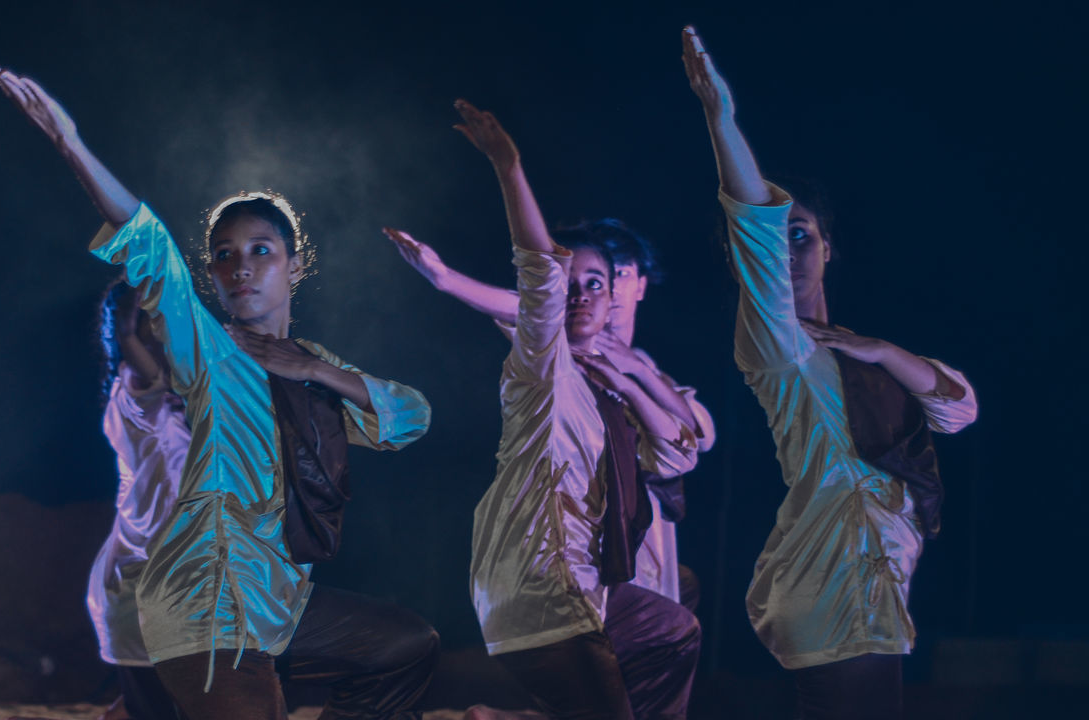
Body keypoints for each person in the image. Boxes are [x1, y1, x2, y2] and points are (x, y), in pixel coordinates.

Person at [0, 68, 438, 720]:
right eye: (225, 256)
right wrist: (71, 143)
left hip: (276, 601)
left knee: (407, 646)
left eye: (261, 250)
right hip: (203, 599)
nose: (242, 267)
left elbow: (412, 418)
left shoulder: (315, 369)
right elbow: (150, 246)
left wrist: (319, 373)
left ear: (296, 265)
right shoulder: (210, 354)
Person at [682, 26, 978, 720]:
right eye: (778, 237)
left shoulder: (858, 349)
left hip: (868, 564)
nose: (789, 248)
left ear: (830, 247)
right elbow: (756, 225)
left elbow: (959, 408)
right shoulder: (773, 340)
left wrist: (880, 352)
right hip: (831, 560)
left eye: (803, 234)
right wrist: (721, 119)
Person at [441, 98, 700, 720]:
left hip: (591, 583)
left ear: (615, 299)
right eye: (571, 282)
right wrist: (509, 168)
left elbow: (680, 448)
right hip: (540, 581)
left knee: (675, 631)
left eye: (596, 284)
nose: (580, 293)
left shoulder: (616, 387)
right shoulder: (542, 361)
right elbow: (538, 273)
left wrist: (632, 380)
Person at [385, 218, 712, 612]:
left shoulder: (644, 367)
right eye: (577, 279)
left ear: (638, 284)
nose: (606, 287)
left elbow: (696, 436)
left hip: (640, 524)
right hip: (573, 528)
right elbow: (528, 306)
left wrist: (636, 374)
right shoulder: (558, 346)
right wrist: (446, 278)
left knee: (655, 622)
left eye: (619, 274)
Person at [87, 280, 191, 720]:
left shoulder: (177, 402)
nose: (166, 331)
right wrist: (129, 333)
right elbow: (146, 372)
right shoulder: (137, 394)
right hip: (141, 592)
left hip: (173, 590)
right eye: (153, 324)